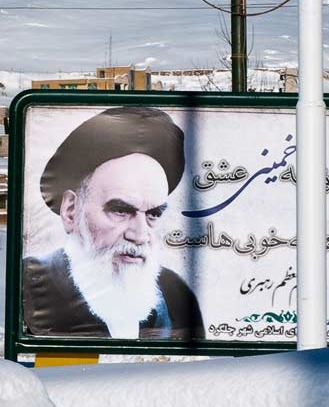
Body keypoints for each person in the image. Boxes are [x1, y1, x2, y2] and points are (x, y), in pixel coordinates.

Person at [23, 105, 204, 340]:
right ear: (70, 211)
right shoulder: (31, 285)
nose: (140, 235)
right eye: (120, 211)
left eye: (153, 214)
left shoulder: (176, 296)